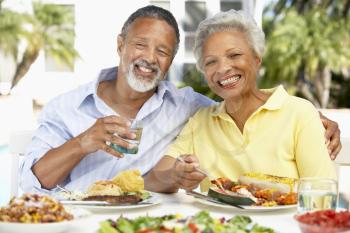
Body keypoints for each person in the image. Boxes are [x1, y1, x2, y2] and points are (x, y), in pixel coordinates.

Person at [20, 6, 340, 193]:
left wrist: (315, 121)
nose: (148, 58)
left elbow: (239, 104)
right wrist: (83, 142)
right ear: (121, 45)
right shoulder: (66, 106)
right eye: (140, 45)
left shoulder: (188, 107)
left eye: (162, 51)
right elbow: (32, 183)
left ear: (171, 61)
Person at [145, 10, 338, 193]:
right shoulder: (201, 121)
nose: (223, 68)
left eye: (234, 55)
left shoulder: (300, 113)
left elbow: (321, 193)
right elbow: (154, 179)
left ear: (256, 59)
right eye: (211, 62)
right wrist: (175, 175)